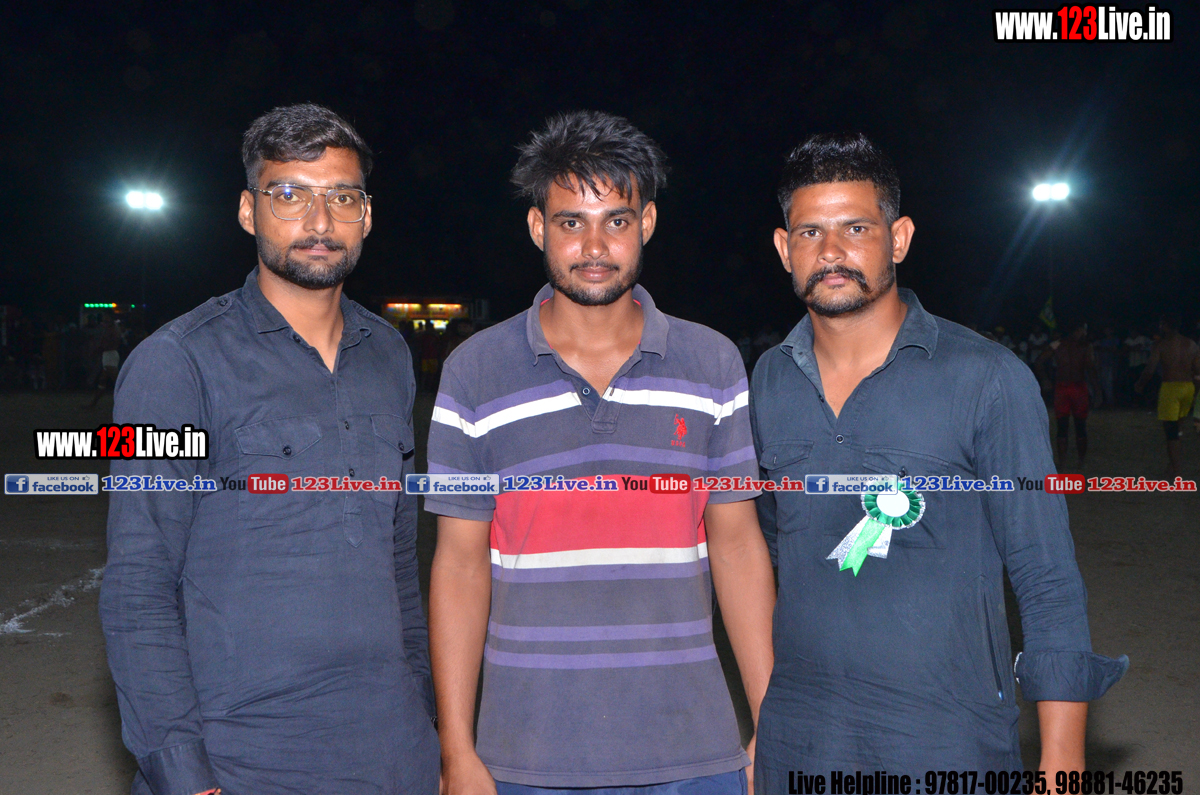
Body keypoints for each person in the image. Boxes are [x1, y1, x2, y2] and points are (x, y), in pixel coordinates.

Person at [749, 133, 1126, 786]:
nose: (831, 251)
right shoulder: (768, 381)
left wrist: (1062, 760)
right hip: (801, 741)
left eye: (856, 228)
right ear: (785, 249)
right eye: (810, 232)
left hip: (946, 742)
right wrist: (767, 720)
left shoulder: (987, 378)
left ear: (898, 239)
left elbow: (1046, 576)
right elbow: (768, 553)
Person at [427, 111, 775, 795]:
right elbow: (460, 564)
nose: (594, 245)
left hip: (694, 755)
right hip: (523, 758)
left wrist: (770, 721)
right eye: (571, 222)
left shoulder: (711, 362)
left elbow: (736, 546)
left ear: (647, 223)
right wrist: (457, 750)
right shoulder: (474, 371)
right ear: (538, 227)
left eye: (616, 220)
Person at [99, 103, 439, 795]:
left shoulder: (389, 354)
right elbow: (138, 582)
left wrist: (425, 727)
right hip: (243, 759)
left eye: (341, 197)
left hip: (392, 751)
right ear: (249, 211)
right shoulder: (173, 362)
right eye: (289, 194)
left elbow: (399, 559)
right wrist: (183, 773)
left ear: (366, 215)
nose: (319, 221)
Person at [1134, 313, 1200, 478]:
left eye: (1162, 324)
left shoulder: (1161, 345)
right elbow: (1198, 370)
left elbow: (1150, 369)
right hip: (1188, 387)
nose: (1160, 327)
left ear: (1166, 326)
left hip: (1171, 388)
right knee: (1178, 429)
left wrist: (1140, 384)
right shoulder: (1191, 344)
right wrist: (1195, 391)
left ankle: (1176, 469)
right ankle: (1172, 465)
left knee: (1171, 432)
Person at [1037, 321, 1096, 467]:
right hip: (1074, 388)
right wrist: (1044, 379)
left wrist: (1045, 379)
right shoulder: (1082, 346)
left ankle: (1067, 461)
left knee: (1069, 425)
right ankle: (1075, 461)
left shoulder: (1060, 344)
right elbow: (1091, 368)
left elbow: (1039, 361)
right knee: (1073, 425)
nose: (1085, 334)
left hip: (1066, 388)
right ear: (1078, 330)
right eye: (1083, 331)